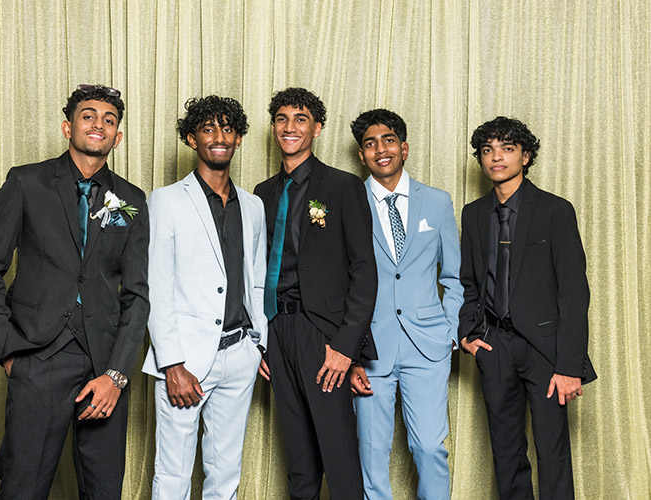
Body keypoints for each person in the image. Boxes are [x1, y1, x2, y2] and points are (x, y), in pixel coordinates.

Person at [0, 84, 149, 499]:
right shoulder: (26, 182)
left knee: (103, 489)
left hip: (104, 365)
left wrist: (117, 374)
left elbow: (137, 294)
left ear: (117, 137)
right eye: (89, 116)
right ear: (69, 126)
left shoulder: (131, 200)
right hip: (38, 357)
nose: (98, 125)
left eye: (109, 120)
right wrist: (10, 352)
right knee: (23, 486)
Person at [458, 116, 596, 499]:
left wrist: (569, 366)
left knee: (552, 452)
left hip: (546, 352)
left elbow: (573, 292)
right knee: (505, 452)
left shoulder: (555, 210)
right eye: (487, 150)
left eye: (507, 148)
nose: (496, 157)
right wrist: (469, 333)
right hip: (494, 346)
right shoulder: (473, 214)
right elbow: (468, 282)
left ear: (526, 156)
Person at [141, 95, 268, 500]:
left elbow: (258, 281)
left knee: (225, 472)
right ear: (192, 138)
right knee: (174, 474)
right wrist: (171, 363)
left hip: (240, 353)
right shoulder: (166, 200)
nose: (219, 137)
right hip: (186, 362)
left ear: (239, 139)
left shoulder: (253, 205)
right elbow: (156, 286)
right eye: (208, 129)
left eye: (227, 128)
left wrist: (258, 345)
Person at [254, 87, 377, 500]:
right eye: (283, 119)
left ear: (317, 128)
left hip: (322, 335)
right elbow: (253, 270)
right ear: (274, 128)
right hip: (275, 329)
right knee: (299, 459)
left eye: (301, 119)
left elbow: (364, 272)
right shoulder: (263, 192)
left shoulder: (343, 187)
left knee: (338, 453)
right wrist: (258, 341)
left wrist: (346, 347)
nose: (290, 127)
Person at [347, 109, 463, 500]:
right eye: (370, 143)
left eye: (388, 140)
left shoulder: (438, 201)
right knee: (371, 452)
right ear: (362, 155)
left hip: (428, 346)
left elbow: (454, 277)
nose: (380, 149)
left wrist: (449, 331)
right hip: (369, 349)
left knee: (430, 447)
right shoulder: (349, 201)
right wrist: (350, 350)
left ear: (405, 148)